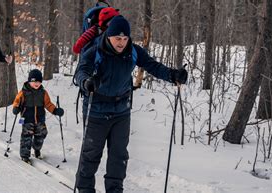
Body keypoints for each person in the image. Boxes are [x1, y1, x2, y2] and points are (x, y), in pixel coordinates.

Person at [74, 15, 188, 192]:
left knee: (118, 157)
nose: (121, 42)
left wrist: (173, 75)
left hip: (121, 111)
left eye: (125, 38)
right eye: (117, 38)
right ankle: (84, 189)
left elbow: (153, 66)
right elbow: (81, 72)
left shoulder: (133, 51)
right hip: (96, 111)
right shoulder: (95, 51)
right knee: (91, 155)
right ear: (109, 36)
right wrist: (86, 82)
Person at [12, 69, 65, 164]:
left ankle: (36, 148)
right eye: (34, 81)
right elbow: (17, 101)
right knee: (26, 137)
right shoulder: (23, 92)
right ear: (29, 81)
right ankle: (25, 156)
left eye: (39, 82)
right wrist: (16, 108)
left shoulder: (43, 93)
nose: (37, 84)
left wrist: (55, 110)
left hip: (40, 119)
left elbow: (48, 104)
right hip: (27, 118)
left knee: (42, 133)